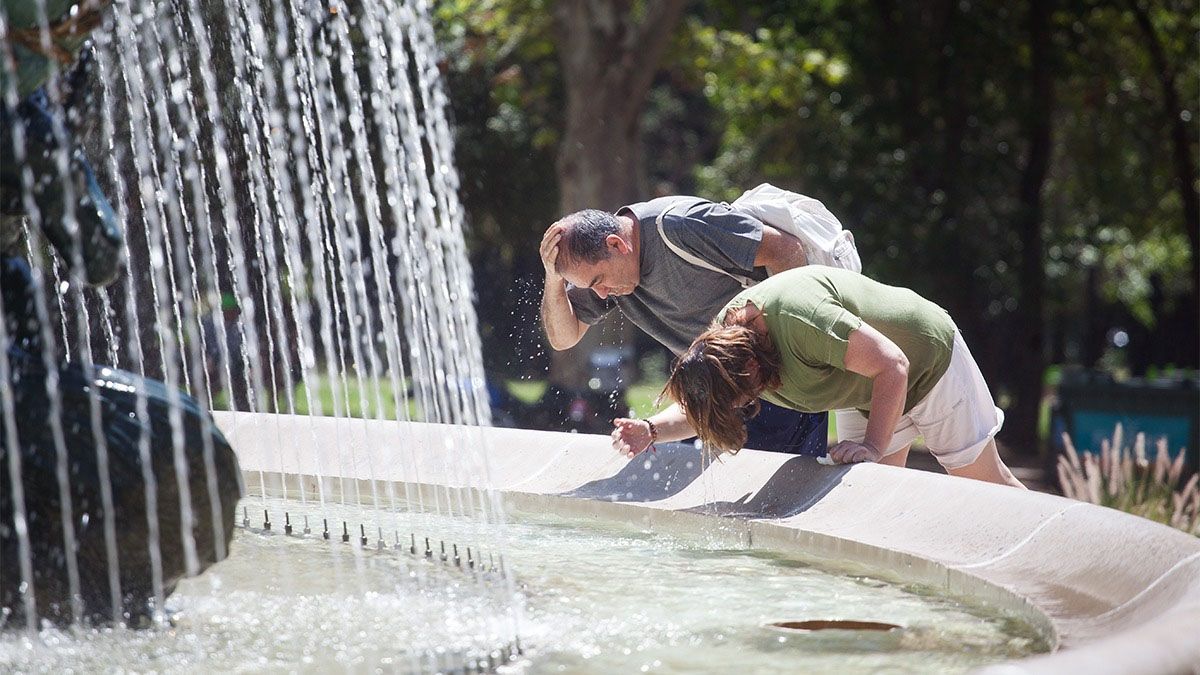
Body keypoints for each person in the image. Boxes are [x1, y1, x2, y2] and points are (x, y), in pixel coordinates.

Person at [661, 266, 1026, 488]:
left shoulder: (800, 317)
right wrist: (650, 431)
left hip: (926, 361)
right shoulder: (719, 352)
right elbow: (700, 408)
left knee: (984, 483)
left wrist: (872, 446)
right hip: (864, 391)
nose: (743, 406)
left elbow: (893, 365)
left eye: (740, 399)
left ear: (752, 368)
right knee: (870, 499)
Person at [540, 195, 842, 458]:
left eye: (597, 281)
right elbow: (562, 337)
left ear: (617, 245)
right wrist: (554, 279)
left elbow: (785, 249)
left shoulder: (681, 226)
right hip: (724, 390)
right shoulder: (614, 276)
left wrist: (785, 348)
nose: (600, 294)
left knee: (786, 503)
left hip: (775, 376)